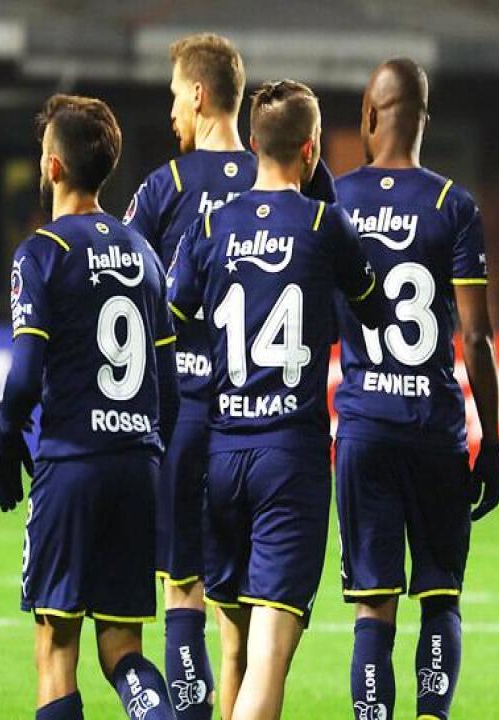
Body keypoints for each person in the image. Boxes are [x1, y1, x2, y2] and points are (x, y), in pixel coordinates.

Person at [122, 35, 336, 718]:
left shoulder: (167, 186)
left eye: (173, 97)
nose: (171, 114)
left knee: (185, 587)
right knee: (245, 619)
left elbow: (131, 287)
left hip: (185, 414)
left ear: (197, 94)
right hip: (257, 416)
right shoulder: (277, 166)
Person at [167, 79, 384, 720]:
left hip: (221, 456)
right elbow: (373, 310)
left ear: (254, 143)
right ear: (311, 149)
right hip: (289, 460)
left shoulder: (210, 225)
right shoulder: (323, 223)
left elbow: (172, 316)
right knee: (267, 659)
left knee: (234, 649)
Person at [0, 94, 179, 720]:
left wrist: (7, 437)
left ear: (53, 167)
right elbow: (169, 388)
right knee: (123, 649)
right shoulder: (145, 255)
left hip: (71, 465)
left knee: (56, 648)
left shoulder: (41, 252)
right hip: (137, 465)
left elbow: (25, 374)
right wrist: (148, 454)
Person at [332, 58, 499, 720]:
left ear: (369, 115)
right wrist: (490, 444)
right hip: (434, 430)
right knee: (440, 598)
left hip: (365, 431)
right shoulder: (452, 206)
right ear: (423, 121)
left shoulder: (336, 202)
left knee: (373, 609)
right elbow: (476, 337)